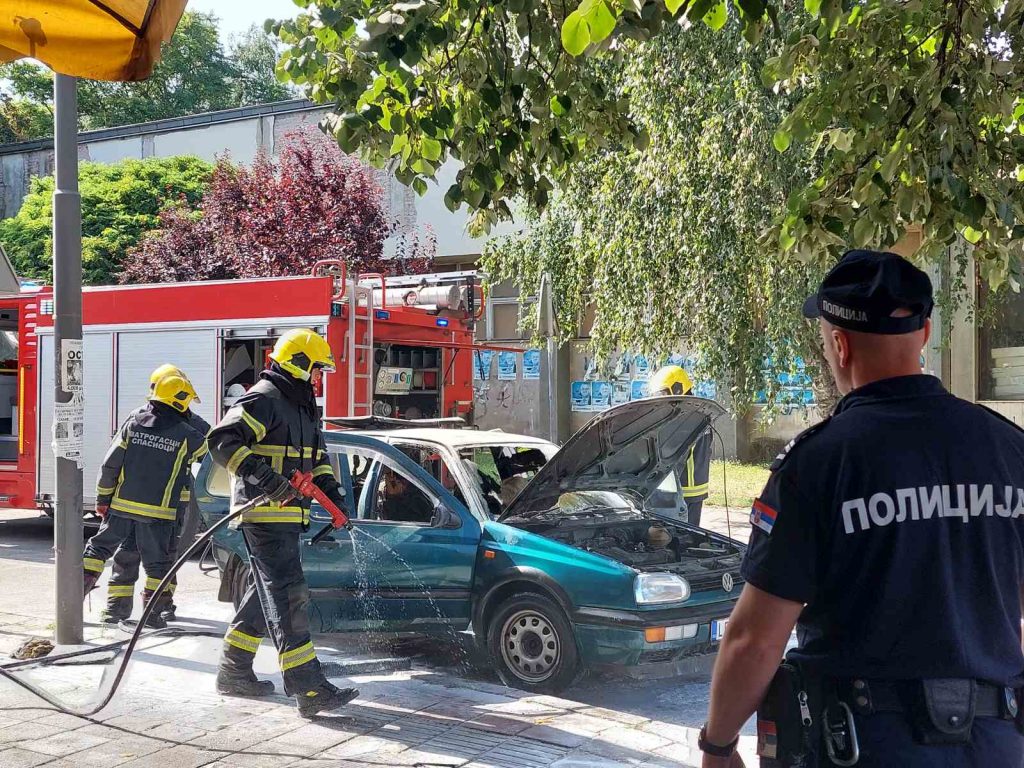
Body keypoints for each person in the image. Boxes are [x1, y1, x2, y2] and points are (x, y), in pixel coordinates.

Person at [700, 250, 1024, 768]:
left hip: (863, 746)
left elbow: (756, 638)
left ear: (840, 346)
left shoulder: (819, 464)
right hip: (995, 746)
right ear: (924, 334)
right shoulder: (1009, 450)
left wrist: (717, 745)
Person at [208, 328, 358, 718]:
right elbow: (222, 440)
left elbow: (317, 460)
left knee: (265, 594)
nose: (321, 377)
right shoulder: (265, 398)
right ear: (301, 364)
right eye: (318, 369)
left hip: (288, 516)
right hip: (262, 514)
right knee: (290, 594)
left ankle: (234, 670)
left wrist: (333, 493)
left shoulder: (302, 405)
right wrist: (267, 480)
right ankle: (307, 687)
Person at [82, 369, 207, 629]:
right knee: (159, 564)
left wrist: (103, 498)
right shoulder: (190, 432)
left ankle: (76, 604)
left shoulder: (134, 423)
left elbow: (110, 465)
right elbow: (214, 459)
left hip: (121, 508)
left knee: (99, 551)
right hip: (161, 513)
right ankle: (152, 616)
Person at [649, 364, 713, 526]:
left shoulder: (683, 420)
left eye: (664, 396)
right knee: (690, 535)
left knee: (677, 538)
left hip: (682, 489)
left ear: (677, 389)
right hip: (697, 488)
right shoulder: (702, 414)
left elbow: (675, 459)